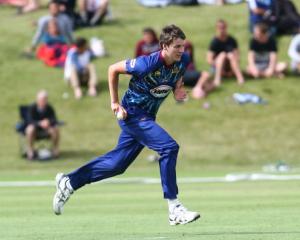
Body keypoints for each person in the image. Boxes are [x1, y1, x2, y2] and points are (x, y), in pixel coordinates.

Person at [53, 24, 200, 225]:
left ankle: (69, 182)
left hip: (147, 118)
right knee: (169, 147)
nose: (182, 50)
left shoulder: (182, 59)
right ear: (164, 46)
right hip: (132, 115)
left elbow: (177, 76)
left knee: (117, 165)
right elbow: (112, 69)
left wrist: (177, 90)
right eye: (177, 46)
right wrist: (114, 102)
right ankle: (174, 208)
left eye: (183, 46)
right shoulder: (145, 64)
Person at [207, 19, 244, 87]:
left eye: (223, 27)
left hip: (230, 66)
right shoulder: (214, 42)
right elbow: (209, 60)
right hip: (217, 67)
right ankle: (217, 78)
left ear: (226, 27)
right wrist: (220, 68)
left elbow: (237, 57)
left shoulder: (232, 40)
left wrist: (231, 69)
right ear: (217, 28)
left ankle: (240, 77)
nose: (222, 30)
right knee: (222, 55)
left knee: (230, 55)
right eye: (220, 28)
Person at [26, 90, 60, 160]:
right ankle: (30, 150)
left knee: (55, 129)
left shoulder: (49, 108)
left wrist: (48, 122)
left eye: (45, 99)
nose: (43, 101)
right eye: (41, 99)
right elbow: (29, 120)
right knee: (30, 129)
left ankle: (54, 149)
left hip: (47, 130)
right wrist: (39, 123)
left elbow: (54, 119)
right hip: (35, 130)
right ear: (37, 100)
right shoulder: (32, 107)